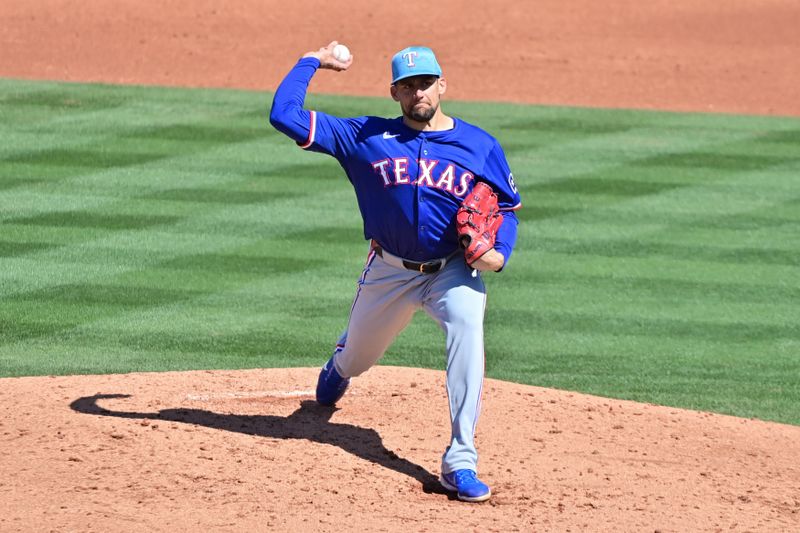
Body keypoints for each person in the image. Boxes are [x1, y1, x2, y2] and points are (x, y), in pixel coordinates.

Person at [269, 42, 521, 503]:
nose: (418, 93)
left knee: (467, 328)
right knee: (359, 358)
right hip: (388, 272)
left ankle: (460, 460)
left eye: (425, 83)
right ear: (394, 94)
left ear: (442, 85)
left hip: (452, 270)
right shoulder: (363, 137)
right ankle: (341, 365)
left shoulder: (480, 145)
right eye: (407, 87)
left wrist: (499, 253)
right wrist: (310, 61)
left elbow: (504, 208)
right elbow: (283, 115)